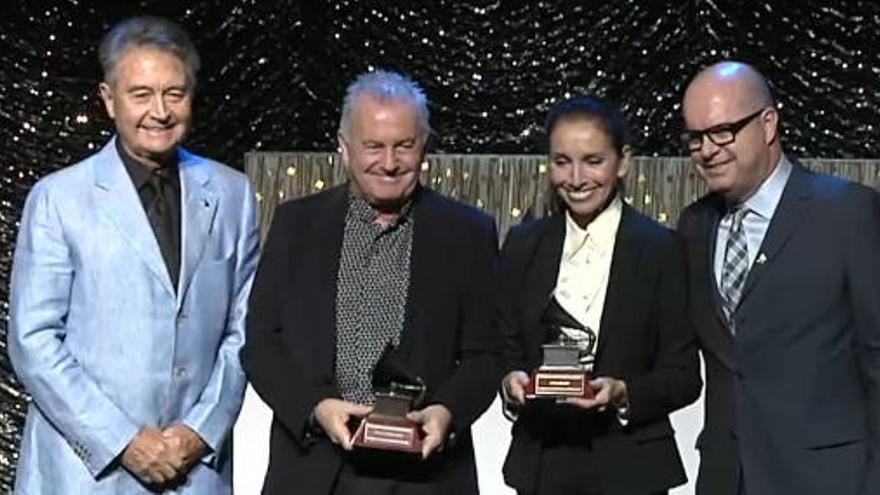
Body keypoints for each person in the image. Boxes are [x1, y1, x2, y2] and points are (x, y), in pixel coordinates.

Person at [8, 16, 259, 494]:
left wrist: (200, 430)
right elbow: (33, 341)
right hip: (84, 475)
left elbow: (244, 328)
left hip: (195, 471)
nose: (159, 111)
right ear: (109, 99)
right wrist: (122, 440)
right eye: (141, 94)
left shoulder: (233, 195)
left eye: (174, 93)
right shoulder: (59, 198)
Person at [242, 69, 499, 494]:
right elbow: (262, 343)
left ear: (424, 147)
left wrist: (447, 411)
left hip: (426, 475)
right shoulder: (296, 225)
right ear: (344, 149)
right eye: (373, 146)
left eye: (404, 145)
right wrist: (314, 408)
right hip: (313, 470)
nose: (390, 162)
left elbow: (486, 353)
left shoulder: (468, 233)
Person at [677, 60, 880, 495]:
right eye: (695, 138)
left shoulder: (846, 212)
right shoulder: (693, 226)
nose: (708, 150)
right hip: (725, 479)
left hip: (830, 480)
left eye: (722, 131)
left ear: (768, 124)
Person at [498, 96, 701, 495]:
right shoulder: (523, 245)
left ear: (623, 162)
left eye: (593, 160)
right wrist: (509, 381)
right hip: (541, 461)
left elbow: (684, 377)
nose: (575, 178)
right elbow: (503, 347)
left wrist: (625, 393)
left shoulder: (663, 250)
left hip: (633, 467)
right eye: (561, 161)